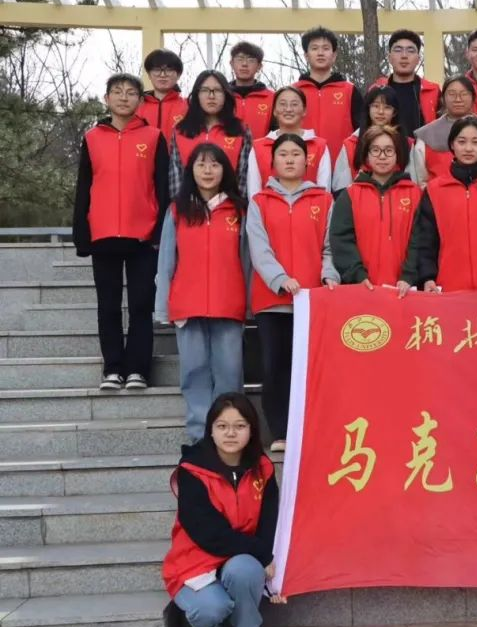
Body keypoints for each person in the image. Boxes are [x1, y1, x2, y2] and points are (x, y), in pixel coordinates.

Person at [161, 392, 283, 627]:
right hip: (196, 560)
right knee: (212, 609)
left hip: (239, 557)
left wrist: (263, 555)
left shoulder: (262, 468)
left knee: (246, 568)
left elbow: (269, 520)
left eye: (239, 426)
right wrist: (262, 553)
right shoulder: (192, 470)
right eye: (222, 426)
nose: (230, 433)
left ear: (252, 430)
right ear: (211, 430)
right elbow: (207, 533)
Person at [73, 73, 169, 391]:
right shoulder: (92, 138)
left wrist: (160, 231)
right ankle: (113, 368)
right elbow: (84, 187)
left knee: (141, 304)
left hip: (143, 235)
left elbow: (163, 187)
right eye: (117, 92)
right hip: (102, 234)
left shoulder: (154, 137)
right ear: (107, 99)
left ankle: (138, 369)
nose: (124, 97)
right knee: (109, 305)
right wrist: (82, 232)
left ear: (140, 100)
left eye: (130, 93)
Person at [246, 134, 339, 452]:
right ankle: (281, 431)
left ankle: (312, 429)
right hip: (272, 301)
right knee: (275, 366)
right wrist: (280, 278)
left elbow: (330, 247)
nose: (289, 159)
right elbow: (259, 249)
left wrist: (328, 275)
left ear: (306, 160)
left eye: (296, 154)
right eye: (283, 154)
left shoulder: (323, 200)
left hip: (312, 300)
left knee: (311, 367)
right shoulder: (259, 202)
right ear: (272, 162)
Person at [155, 144, 248, 444]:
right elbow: (166, 261)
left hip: (229, 304)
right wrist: (163, 306)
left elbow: (247, 261)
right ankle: (200, 437)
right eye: (201, 164)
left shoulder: (239, 210)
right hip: (187, 304)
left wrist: (249, 303)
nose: (208, 171)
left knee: (230, 374)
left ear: (225, 171)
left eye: (215, 164)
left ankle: (230, 436)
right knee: (193, 373)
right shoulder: (177, 210)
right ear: (190, 170)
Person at [398, 117, 477, 294]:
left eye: (475, 142)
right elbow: (426, 238)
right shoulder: (435, 189)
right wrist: (427, 277)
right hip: (449, 290)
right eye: (462, 142)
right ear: (452, 145)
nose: (468, 148)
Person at [330, 125, 421, 287]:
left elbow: (420, 239)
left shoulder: (414, 193)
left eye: (389, 150)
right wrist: (358, 275)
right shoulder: (349, 195)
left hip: (405, 288)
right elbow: (341, 240)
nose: (382, 156)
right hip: (363, 287)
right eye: (375, 150)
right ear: (366, 156)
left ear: (397, 155)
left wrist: (408, 276)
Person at [169, 70, 252, 199]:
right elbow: (176, 178)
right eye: (205, 90)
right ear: (197, 95)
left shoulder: (240, 131)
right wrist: (181, 205)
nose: (211, 96)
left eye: (217, 90)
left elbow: (243, 178)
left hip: (229, 205)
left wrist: (237, 205)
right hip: (189, 206)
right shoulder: (181, 131)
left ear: (226, 95)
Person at [411, 76, 477, 190]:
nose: (458, 99)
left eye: (464, 94)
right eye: (452, 94)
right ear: (443, 98)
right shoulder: (426, 135)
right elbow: (419, 180)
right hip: (438, 196)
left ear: (473, 97)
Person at [294, 26, 365, 160]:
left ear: (334, 55)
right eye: (314, 48)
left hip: (342, 164)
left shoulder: (350, 90)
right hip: (300, 164)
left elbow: (362, 132)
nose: (320, 53)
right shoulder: (293, 91)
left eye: (326, 48)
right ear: (306, 56)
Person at [247, 86, 332, 197]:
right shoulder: (259, 147)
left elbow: (324, 191)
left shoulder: (319, 146)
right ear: (274, 111)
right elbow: (253, 192)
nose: (288, 109)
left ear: (304, 110)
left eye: (294, 104)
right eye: (283, 104)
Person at [333, 86, 408, 194]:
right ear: (368, 109)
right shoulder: (351, 144)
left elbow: (412, 185)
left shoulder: (407, 144)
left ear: (394, 112)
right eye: (375, 106)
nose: (381, 112)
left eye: (387, 107)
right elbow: (341, 188)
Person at [369, 29, 441, 138]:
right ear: (390, 58)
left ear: (418, 59)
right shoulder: (376, 90)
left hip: (422, 148)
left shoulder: (433, 91)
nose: (404, 56)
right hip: (385, 147)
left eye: (410, 51)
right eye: (398, 50)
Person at [137, 48, 188, 148]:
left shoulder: (189, 106)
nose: (162, 75)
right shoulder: (137, 106)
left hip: (177, 157)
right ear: (149, 75)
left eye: (169, 70)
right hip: (143, 157)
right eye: (157, 70)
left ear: (178, 75)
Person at [229, 41, 274, 140]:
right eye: (240, 59)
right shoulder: (222, 97)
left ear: (259, 66)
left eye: (251, 60)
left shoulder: (272, 98)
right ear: (231, 64)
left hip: (260, 149)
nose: (244, 64)